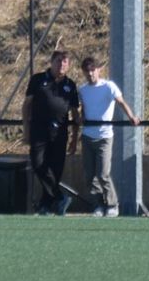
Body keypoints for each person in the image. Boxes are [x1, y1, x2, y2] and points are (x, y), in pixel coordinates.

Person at [77, 56, 140, 217]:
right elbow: (83, 109)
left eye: (93, 70)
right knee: (89, 175)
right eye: (87, 71)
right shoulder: (82, 90)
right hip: (87, 136)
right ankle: (99, 204)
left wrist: (131, 116)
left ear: (99, 70)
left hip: (104, 137)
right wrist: (80, 118)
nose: (90, 74)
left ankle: (112, 204)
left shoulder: (109, 86)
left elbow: (121, 102)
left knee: (103, 173)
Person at [22, 50, 81, 215]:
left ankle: (46, 206)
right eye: (58, 61)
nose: (61, 64)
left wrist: (74, 139)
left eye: (65, 62)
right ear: (51, 62)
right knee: (38, 163)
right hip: (39, 130)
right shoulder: (38, 79)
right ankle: (60, 197)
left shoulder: (70, 85)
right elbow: (26, 105)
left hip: (60, 133)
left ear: (68, 65)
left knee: (55, 171)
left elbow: (75, 114)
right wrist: (26, 130)